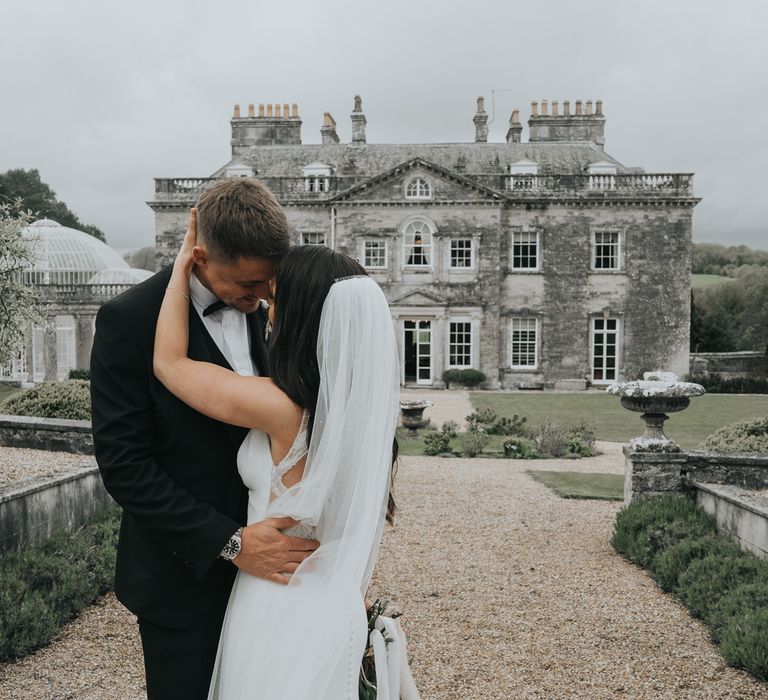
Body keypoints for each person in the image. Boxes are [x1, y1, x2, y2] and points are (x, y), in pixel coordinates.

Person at [153, 210, 416, 699]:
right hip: (335, 607)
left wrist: (180, 268)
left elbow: (169, 363)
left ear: (303, 316)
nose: (265, 310)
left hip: (279, 604)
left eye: (275, 300)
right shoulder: (363, 420)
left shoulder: (281, 408)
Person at [90, 178, 320, 699]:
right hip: (182, 582)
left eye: (268, 284)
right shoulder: (129, 321)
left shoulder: (270, 314)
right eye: (248, 284)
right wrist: (231, 542)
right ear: (201, 257)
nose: (261, 297)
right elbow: (125, 465)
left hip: (272, 584)